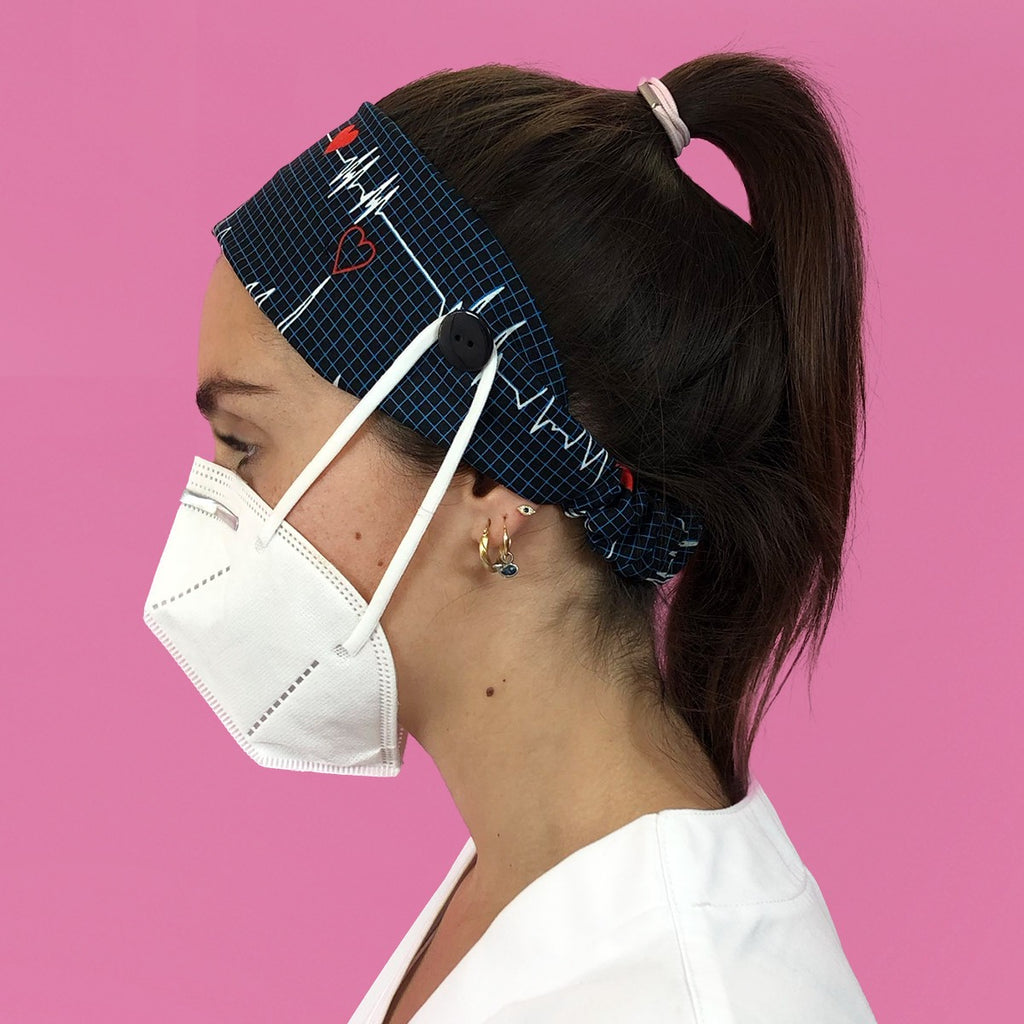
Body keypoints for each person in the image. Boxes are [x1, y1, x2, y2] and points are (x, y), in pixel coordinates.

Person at [144, 52, 876, 1023]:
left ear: (492, 481)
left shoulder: (685, 995)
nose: (217, 507)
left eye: (246, 444)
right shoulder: (533, 886)